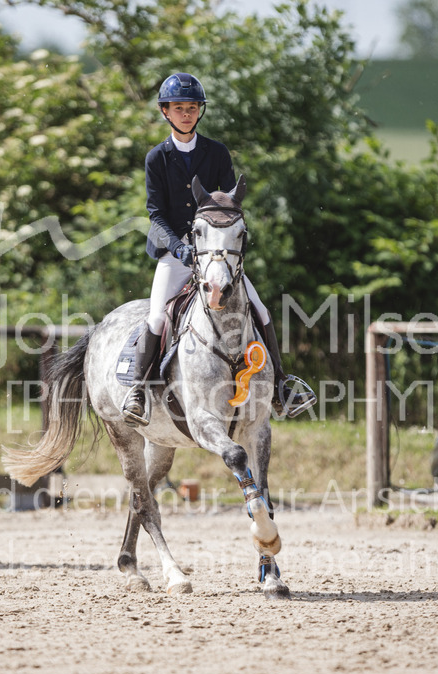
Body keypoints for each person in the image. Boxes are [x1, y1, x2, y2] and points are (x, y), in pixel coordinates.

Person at [121, 72, 313, 426]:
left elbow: (230, 203)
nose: (186, 114)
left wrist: (224, 240)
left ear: (199, 112)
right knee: (157, 316)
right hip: (175, 253)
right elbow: (155, 214)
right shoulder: (156, 158)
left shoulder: (217, 152)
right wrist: (180, 250)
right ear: (165, 112)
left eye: (192, 107)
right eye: (178, 108)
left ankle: (282, 387)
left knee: (260, 309)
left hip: (217, 254)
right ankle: (137, 390)